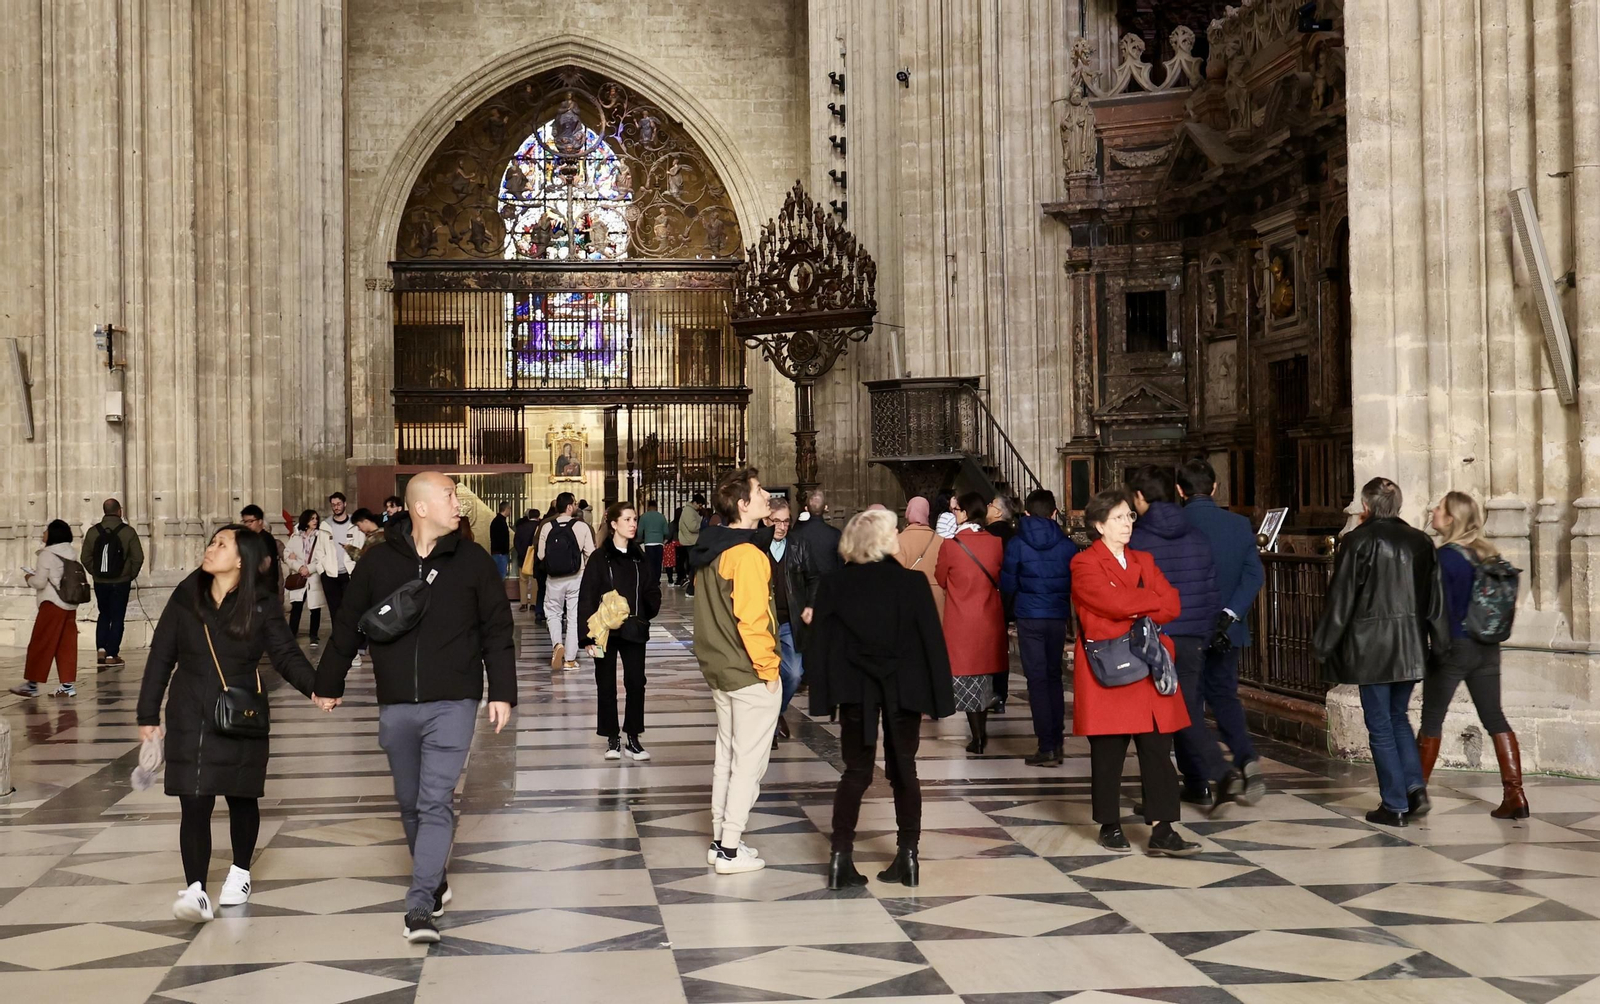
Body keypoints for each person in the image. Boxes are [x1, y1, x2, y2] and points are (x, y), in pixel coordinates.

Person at [315, 472, 517, 945]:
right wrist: (328, 682)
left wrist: (502, 691)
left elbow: (496, 630)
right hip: (397, 700)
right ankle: (435, 877)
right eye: (449, 495)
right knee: (409, 803)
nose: (458, 503)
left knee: (435, 799)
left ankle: (420, 903)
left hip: (455, 698)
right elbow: (348, 626)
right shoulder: (378, 562)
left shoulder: (474, 562)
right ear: (420, 507)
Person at [137, 525, 318, 923]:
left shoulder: (261, 602)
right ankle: (197, 889)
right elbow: (161, 654)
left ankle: (240, 871)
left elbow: (286, 655)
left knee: (241, 794)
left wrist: (317, 689)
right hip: (188, 708)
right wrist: (147, 714)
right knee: (194, 799)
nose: (211, 548)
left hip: (239, 710)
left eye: (221, 544)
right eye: (212, 542)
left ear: (241, 560)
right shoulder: (188, 595)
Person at [808, 509, 954, 890]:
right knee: (905, 768)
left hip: (856, 689)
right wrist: (941, 698)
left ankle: (841, 857)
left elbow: (820, 645)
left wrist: (822, 698)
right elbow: (932, 644)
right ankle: (908, 856)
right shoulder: (911, 584)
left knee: (855, 771)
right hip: (904, 688)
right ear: (881, 541)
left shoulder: (834, 584)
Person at [1313, 477, 1449, 827]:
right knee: (1398, 718)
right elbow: (1436, 602)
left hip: (1371, 648)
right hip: (1410, 646)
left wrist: (1324, 642)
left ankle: (1394, 803)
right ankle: (1415, 789)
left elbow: (1341, 600)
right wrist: (1441, 645)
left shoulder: (1357, 541)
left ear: (1367, 507)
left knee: (1380, 725)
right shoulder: (1421, 541)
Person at [1072, 488, 1202, 856]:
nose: (1127, 523)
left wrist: (1133, 608)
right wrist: (1146, 604)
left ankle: (1164, 828)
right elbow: (1108, 603)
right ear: (1099, 525)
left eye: (1129, 516)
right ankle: (1110, 824)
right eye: (1118, 518)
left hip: (1149, 668)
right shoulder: (1084, 563)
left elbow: (1172, 604)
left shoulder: (1144, 558)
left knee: (1158, 749)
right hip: (1111, 668)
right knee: (1109, 750)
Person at [1127, 464, 1241, 810]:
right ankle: (1218, 773)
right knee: (1187, 710)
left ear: (1141, 497)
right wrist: (1203, 634)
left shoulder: (1138, 539)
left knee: (1153, 722)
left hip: (1154, 638)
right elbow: (1210, 591)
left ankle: (1158, 799)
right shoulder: (1195, 535)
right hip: (1191, 637)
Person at [688, 468, 781, 875]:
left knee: (726, 756)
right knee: (748, 763)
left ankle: (719, 839)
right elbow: (752, 619)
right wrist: (769, 669)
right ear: (743, 504)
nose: (766, 496)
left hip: (720, 667)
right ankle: (729, 847)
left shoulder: (714, 548)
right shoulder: (746, 555)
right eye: (760, 492)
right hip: (748, 671)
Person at [1420, 491, 1529, 817]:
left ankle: (1416, 793)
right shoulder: (1488, 554)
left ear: (1452, 518)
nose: (1434, 511)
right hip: (1487, 647)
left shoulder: (1444, 558)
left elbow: (1434, 610)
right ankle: (1515, 796)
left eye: (1439, 508)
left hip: (1454, 646)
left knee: (1431, 718)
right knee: (1494, 717)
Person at [1177, 458, 1268, 804]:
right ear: (1215, 488)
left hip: (1186, 628)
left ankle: (1197, 781)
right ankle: (1246, 758)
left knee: (1189, 703)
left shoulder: (1176, 525)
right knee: (1225, 695)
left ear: (1179, 490)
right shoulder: (1238, 524)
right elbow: (1253, 575)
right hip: (1227, 630)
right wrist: (1230, 614)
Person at [578, 501, 662, 760]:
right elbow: (587, 596)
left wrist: (649, 607)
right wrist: (587, 637)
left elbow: (650, 586)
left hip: (634, 628)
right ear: (613, 524)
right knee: (606, 684)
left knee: (636, 683)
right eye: (627, 519)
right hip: (605, 630)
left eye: (634, 519)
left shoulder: (640, 557)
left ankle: (633, 738)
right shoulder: (599, 558)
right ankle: (612, 737)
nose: (633, 524)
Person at [1000, 490, 1079, 766]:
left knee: (1037, 681)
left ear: (1028, 514)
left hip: (1029, 617)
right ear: (1055, 513)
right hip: (1056, 617)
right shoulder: (1068, 546)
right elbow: (1075, 585)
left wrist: (1009, 611)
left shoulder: (1017, 544)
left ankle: (1046, 745)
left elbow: (1008, 583)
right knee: (1054, 676)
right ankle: (1057, 742)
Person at [936, 492, 1006, 754]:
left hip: (960, 621)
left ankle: (977, 737)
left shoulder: (951, 545)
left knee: (967, 680)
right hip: (988, 618)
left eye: (956, 511)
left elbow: (941, 577)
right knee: (983, 678)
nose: (954, 514)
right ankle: (980, 734)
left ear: (964, 513)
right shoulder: (995, 543)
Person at [11, 520, 84, 697]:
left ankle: (32, 684)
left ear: (53, 534)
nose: (43, 533)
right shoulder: (71, 553)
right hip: (69, 604)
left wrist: (28, 577)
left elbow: (40, 582)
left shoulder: (47, 554)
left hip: (52, 604)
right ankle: (67, 686)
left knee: (40, 643)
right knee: (66, 645)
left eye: (46, 530)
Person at [81, 497, 144, 667]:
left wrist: (96, 573)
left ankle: (101, 649)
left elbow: (85, 557)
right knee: (117, 617)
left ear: (104, 511)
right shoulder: (128, 532)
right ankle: (112, 654)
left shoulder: (93, 532)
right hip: (120, 582)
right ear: (119, 511)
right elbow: (138, 557)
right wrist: (129, 575)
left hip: (101, 582)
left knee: (104, 614)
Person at [539, 491, 596, 670]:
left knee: (553, 613)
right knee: (573, 617)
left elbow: (541, 555)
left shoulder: (547, 527)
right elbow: (591, 554)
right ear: (570, 506)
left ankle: (557, 644)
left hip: (554, 578)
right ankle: (570, 660)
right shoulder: (581, 527)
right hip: (576, 577)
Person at [764, 499, 803, 745]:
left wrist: (809, 606)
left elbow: (812, 578)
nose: (782, 526)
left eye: (786, 521)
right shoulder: (756, 547)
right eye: (777, 521)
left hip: (789, 620)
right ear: (766, 521)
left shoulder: (798, 546)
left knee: (795, 674)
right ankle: (769, 723)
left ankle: (776, 713)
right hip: (763, 622)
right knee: (765, 675)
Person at [788, 489, 842, 639]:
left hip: (802, 593)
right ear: (826, 508)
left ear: (806, 509)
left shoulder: (796, 534)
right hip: (828, 592)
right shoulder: (835, 534)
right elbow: (840, 566)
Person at [286, 510, 333, 648]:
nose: (315, 521)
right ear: (305, 520)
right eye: (312, 518)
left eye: (316, 519)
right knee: (297, 606)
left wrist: (309, 569)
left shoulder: (320, 537)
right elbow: (287, 554)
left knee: (315, 607)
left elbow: (322, 556)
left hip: (313, 576)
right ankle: (292, 633)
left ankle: (314, 635)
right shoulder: (295, 537)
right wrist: (299, 567)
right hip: (300, 575)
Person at [895, 496, 946, 618]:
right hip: (937, 597)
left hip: (910, 596)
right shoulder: (941, 540)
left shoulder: (898, 540)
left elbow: (896, 573)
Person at [321, 492, 364, 626]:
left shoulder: (355, 525)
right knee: (334, 610)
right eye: (333, 505)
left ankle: (351, 636)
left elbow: (361, 547)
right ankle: (338, 638)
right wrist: (322, 568)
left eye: (339, 504)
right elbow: (319, 551)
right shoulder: (325, 525)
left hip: (349, 572)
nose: (336, 507)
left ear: (345, 504)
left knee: (351, 608)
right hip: (330, 574)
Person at [239, 505, 286, 595]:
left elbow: (266, 564)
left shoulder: (266, 538)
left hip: (265, 589)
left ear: (260, 521)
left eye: (251, 521)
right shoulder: (250, 539)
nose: (247, 524)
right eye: (245, 522)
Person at [677, 493, 706, 596]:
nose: (700, 507)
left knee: (694, 565)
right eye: (700, 505)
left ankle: (692, 588)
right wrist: (702, 523)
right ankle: (690, 589)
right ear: (695, 503)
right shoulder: (689, 511)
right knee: (695, 565)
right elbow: (692, 527)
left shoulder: (691, 511)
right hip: (691, 541)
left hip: (691, 540)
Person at [514, 508, 540, 611]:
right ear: (538, 516)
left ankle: (523, 603)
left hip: (522, 557)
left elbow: (516, 542)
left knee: (523, 580)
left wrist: (522, 553)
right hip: (535, 558)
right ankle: (533, 603)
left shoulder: (521, 527)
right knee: (534, 581)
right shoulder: (539, 527)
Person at [638, 498, 670, 583]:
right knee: (658, 563)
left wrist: (640, 539)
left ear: (648, 507)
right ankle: (657, 579)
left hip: (648, 542)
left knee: (650, 563)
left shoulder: (644, 517)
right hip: (659, 542)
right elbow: (666, 531)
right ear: (656, 507)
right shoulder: (661, 516)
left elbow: (640, 531)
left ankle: (651, 579)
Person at [490, 502, 513, 579]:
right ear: (506, 509)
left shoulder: (497, 521)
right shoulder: (500, 522)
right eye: (509, 509)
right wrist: (504, 551)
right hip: (500, 554)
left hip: (498, 553)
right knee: (501, 576)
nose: (510, 511)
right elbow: (500, 538)